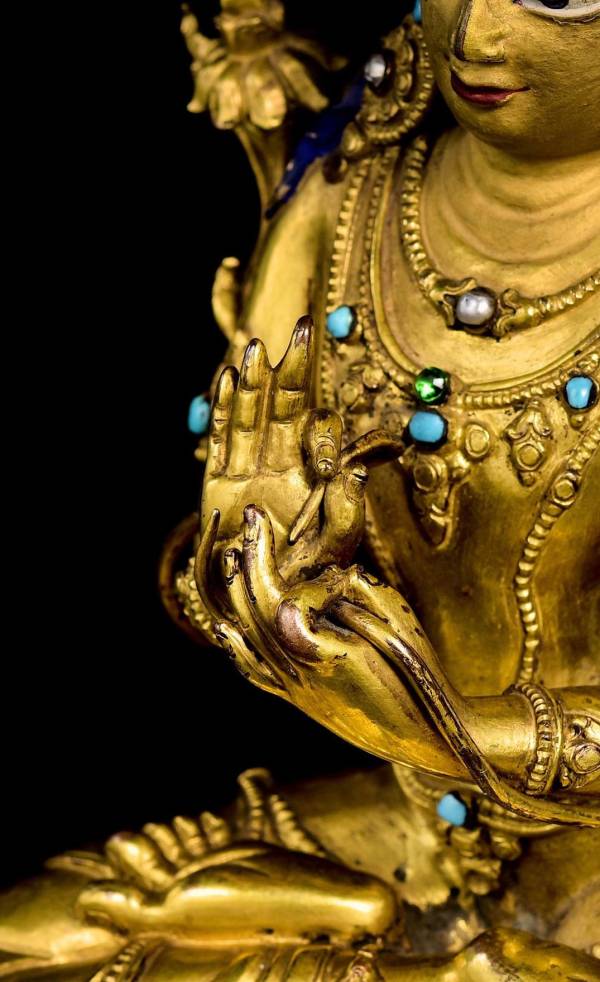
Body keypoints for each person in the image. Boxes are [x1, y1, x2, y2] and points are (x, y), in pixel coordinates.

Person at [1, 1, 599, 977]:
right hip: (417, 823)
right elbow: (229, 565)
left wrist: (430, 721)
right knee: (34, 939)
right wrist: (258, 581)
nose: (475, 36)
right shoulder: (349, 201)